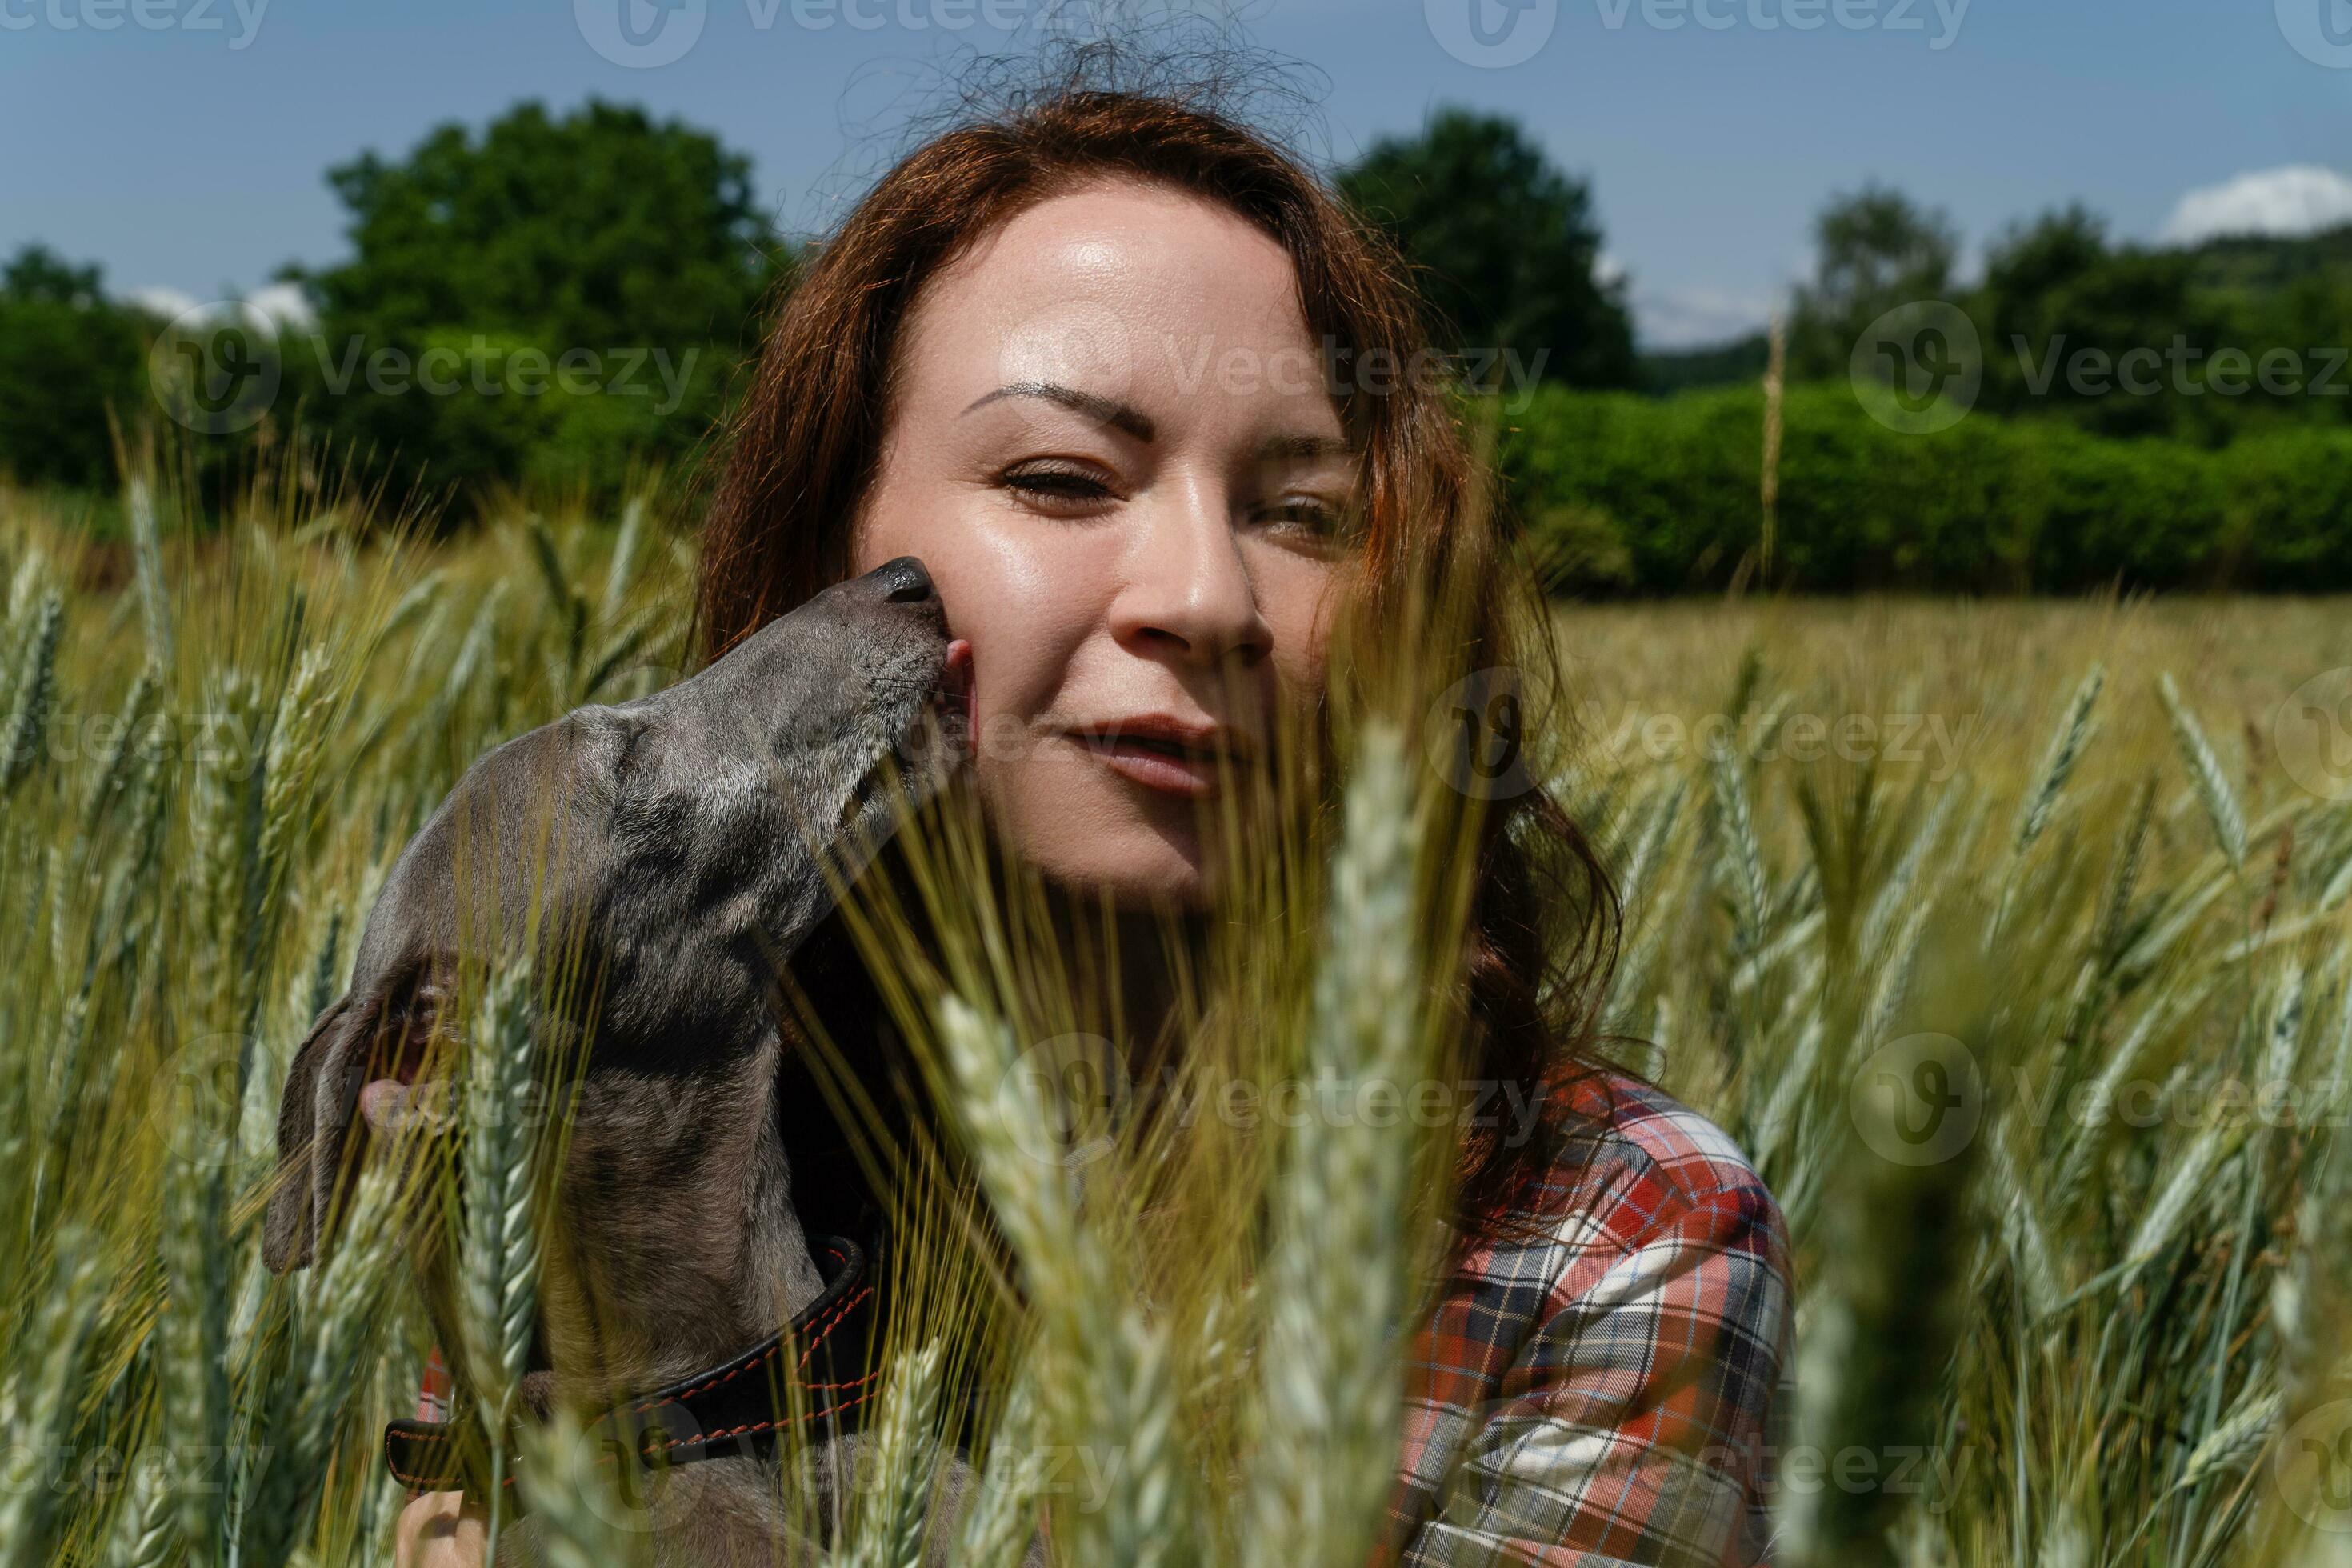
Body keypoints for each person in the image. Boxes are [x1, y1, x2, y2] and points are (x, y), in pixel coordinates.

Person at [395, 61, 1791, 1568]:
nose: (1206, 597)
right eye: (1064, 479)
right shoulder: (600, 1132)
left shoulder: (1603, 1237)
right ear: (832, 560)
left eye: (1302, 514)